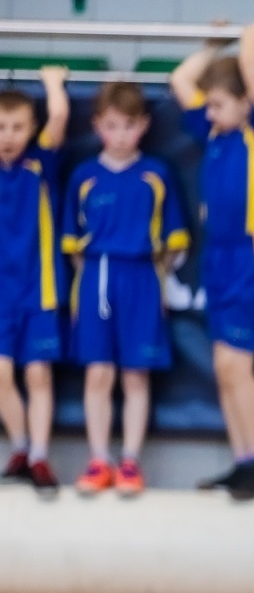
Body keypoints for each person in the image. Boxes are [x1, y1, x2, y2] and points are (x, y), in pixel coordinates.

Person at [170, 22, 254, 501]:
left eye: (220, 103)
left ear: (247, 101)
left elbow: (252, 76)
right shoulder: (216, 133)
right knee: (224, 367)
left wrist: (249, 45)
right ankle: (244, 460)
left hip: (252, 256)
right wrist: (209, 47)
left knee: (236, 364)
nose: (211, 112)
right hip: (217, 257)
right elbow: (182, 82)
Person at [63, 82, 189, 498]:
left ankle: (130, 462)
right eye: (111, 126)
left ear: (144, 126)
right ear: (97, 126)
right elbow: (71, 245)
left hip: (142, 279)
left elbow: (174, 241)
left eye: (129, 126)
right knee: (99, 373)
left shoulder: (157, 174)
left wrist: (156, 281)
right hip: (97, 277)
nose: (120, 135)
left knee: (136, 375)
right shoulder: (84, 176)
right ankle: (99, 460)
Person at [0, 66, 69, 496]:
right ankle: (20, 448)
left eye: (17, 127)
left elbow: (60, 117)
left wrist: (52, 85)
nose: (7, 135)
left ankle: (41, 456)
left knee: (38, 374)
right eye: (1, 127)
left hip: (39, 288)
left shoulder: (41, 162)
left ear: (32, 128)